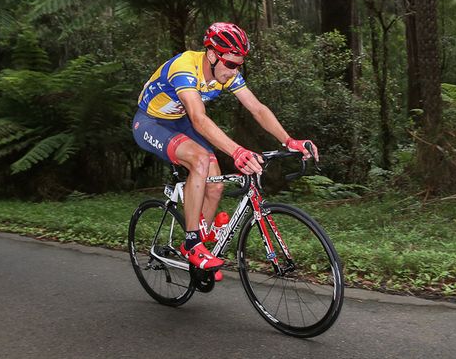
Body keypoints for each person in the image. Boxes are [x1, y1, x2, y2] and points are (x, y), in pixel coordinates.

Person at [131, 22, 319, 277]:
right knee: (199, 160)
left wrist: (289, 140)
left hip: (180, 122)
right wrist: (237, 151)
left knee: (216, 185)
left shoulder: (227, 73)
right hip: (151, 123)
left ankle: (199, 247)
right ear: (211, 55)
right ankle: (192, 243)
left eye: (239, 65)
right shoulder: (185, 68)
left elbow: (257, 108)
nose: (234, 71)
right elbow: (199, 119)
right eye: (230, 64)